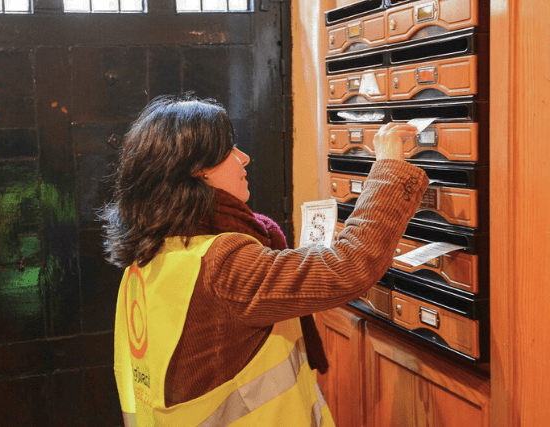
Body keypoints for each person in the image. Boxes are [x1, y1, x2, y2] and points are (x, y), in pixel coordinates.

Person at [102, 93, 429, 427]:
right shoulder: (221, 264)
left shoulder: (152, 254)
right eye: (228, 150)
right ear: (197, 172)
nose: (243, 158)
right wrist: (389, 165)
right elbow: (348, 266)